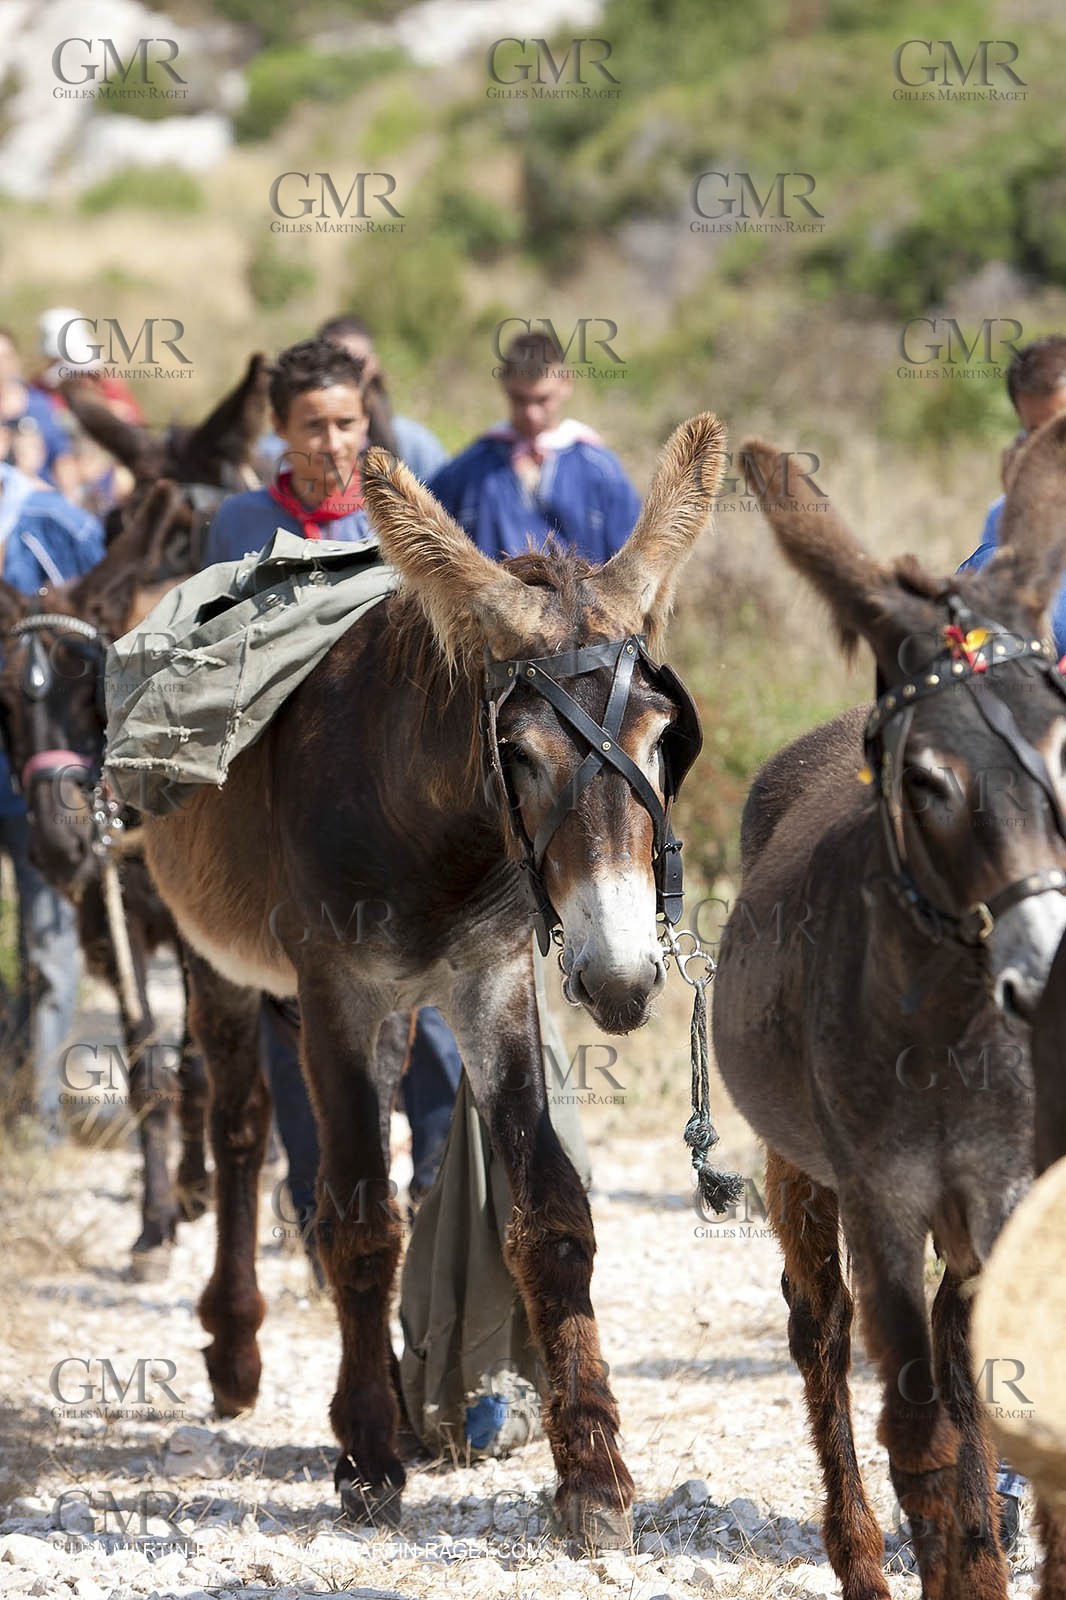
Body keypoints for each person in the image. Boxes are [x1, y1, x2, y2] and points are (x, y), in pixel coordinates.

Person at [0, 432, 106, 1136]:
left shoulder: (56, 526)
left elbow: (105, 643)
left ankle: (37, 1119)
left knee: (48, 944)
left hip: (43, 778)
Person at [428, 329, 641, 559]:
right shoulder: (469, 471)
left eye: (542, 399)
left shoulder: (600, 471)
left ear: (566, 382)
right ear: (504, 383)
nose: (531, 413)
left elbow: (631, 563)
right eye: (519, 399)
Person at [959, 335, 1066, 650]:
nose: (1051, 445)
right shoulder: (1001, 514)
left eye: (1062, 427)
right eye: (1037, 432)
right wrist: (1021, 511)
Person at [317, 315, 448, 483]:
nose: (348, 374)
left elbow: (444, 495)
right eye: (336, 364)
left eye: (358, 362)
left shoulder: (412, 442)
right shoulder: (293, 445)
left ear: (373, 364)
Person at [0, 327, 77, 497]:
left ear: (16, 360)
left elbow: (62, 459)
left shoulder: (39, 405)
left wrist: (70, 500)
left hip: (41, 498)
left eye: (5, 357)